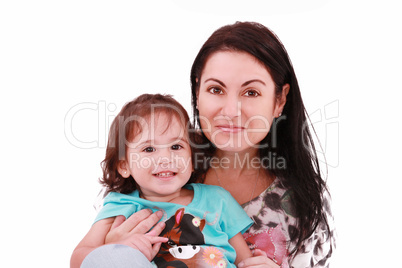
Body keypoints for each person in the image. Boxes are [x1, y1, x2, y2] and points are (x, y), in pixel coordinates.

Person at [189, 21, 336, 267]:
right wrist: (108, 246)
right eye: (215, 89)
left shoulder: (305, 200)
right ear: (197, 92)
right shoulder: (158, 173)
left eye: (251, 93)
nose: (231, 111)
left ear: (279, 100)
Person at [70, 93, 254, 268]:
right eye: (149, 149)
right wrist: (117, 248)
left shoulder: (217, 200)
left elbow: (246, 261)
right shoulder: (122, 205)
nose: (166, 158)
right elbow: (79, 260)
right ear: (124, 165)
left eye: (176, 146)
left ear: (191, 160)